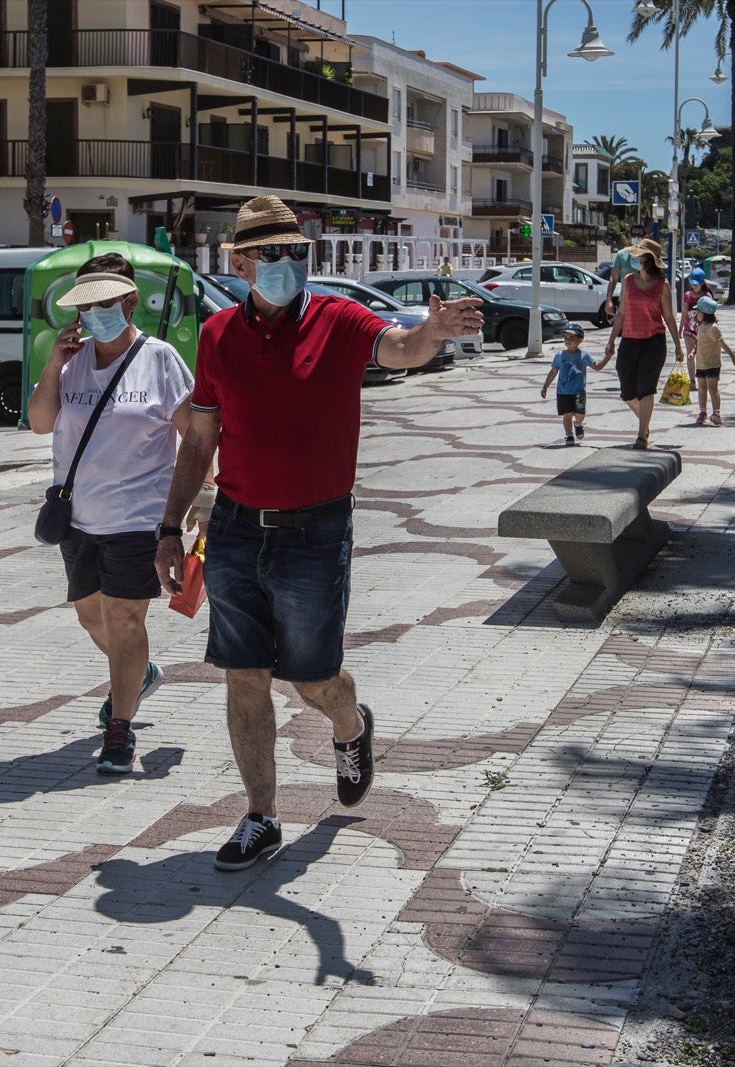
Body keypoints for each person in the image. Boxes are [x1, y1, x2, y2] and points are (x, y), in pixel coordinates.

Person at [153, 195, 484, 872]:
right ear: (240, 262)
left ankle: (350, 723)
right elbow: (198, 443)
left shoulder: (338, 317)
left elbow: (397, 349)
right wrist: (167, 526)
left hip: (316, 534)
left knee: (313, 678)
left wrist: (431, 333)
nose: (286, 265)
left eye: (296, 253)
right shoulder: (217, 335)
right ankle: (261, 817)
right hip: (237, 530)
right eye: (271, 254)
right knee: (244, 676)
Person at [27, 253, 195, 775]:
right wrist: (53, 362)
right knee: (89, 614)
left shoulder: (159, 358)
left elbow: (198, 435)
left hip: (138, 516)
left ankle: (118, 732)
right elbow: (38, 422)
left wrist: (199, 502)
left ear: (128, 301)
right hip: (79, 516)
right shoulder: (71, 362)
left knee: (125, 619)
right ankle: (138, 672)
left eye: (105, 302)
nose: (96, 312)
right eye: (87, 305)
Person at [603, 236, 682, 449]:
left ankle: (641, 436)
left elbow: (668, 317)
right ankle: (645, 423)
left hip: (653, 342)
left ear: (648, 259)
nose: (635, 258)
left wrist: (678, 344)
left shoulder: (662, 286)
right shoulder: (629, 281)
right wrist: (611, 340)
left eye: (639, 255)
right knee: (628, 391)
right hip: (629, 340)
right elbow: (621, 314)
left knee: (646, 388)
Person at [540, 322, 609, 446]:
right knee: (567, 415)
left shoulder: (584, 355)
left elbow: (597, 367)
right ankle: (569, 435)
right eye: (566, 338)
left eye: (572, 338)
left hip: (579, 391)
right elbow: (553, 371)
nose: (568, 341)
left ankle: (578, 424)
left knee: (580, 414)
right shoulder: (559, 356)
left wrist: (607, 357)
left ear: (580, 340)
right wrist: (545, 386)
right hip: (563, 392)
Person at [686, 295, 735, 426]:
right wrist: (693, 353)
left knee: (712, 387)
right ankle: (702, 412)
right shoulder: (700, 327)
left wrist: (733, 356)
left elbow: (722, 343)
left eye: (698, 311)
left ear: (705, 314)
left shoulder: (713, 328)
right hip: (700, 364)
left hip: (712, 364)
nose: (696, 314)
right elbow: (697, 343)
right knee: (702, 388)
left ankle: (716, 413)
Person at [603, 226, 646, 319]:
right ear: (629, 237)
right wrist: (608, 299)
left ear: (645, 237)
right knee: (625, 332)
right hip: (625, 302)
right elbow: (613, 278)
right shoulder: (622, 254)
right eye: (634, 235)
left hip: (645, 301)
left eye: (639, 235)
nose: (636, 238)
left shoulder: (649, 255)